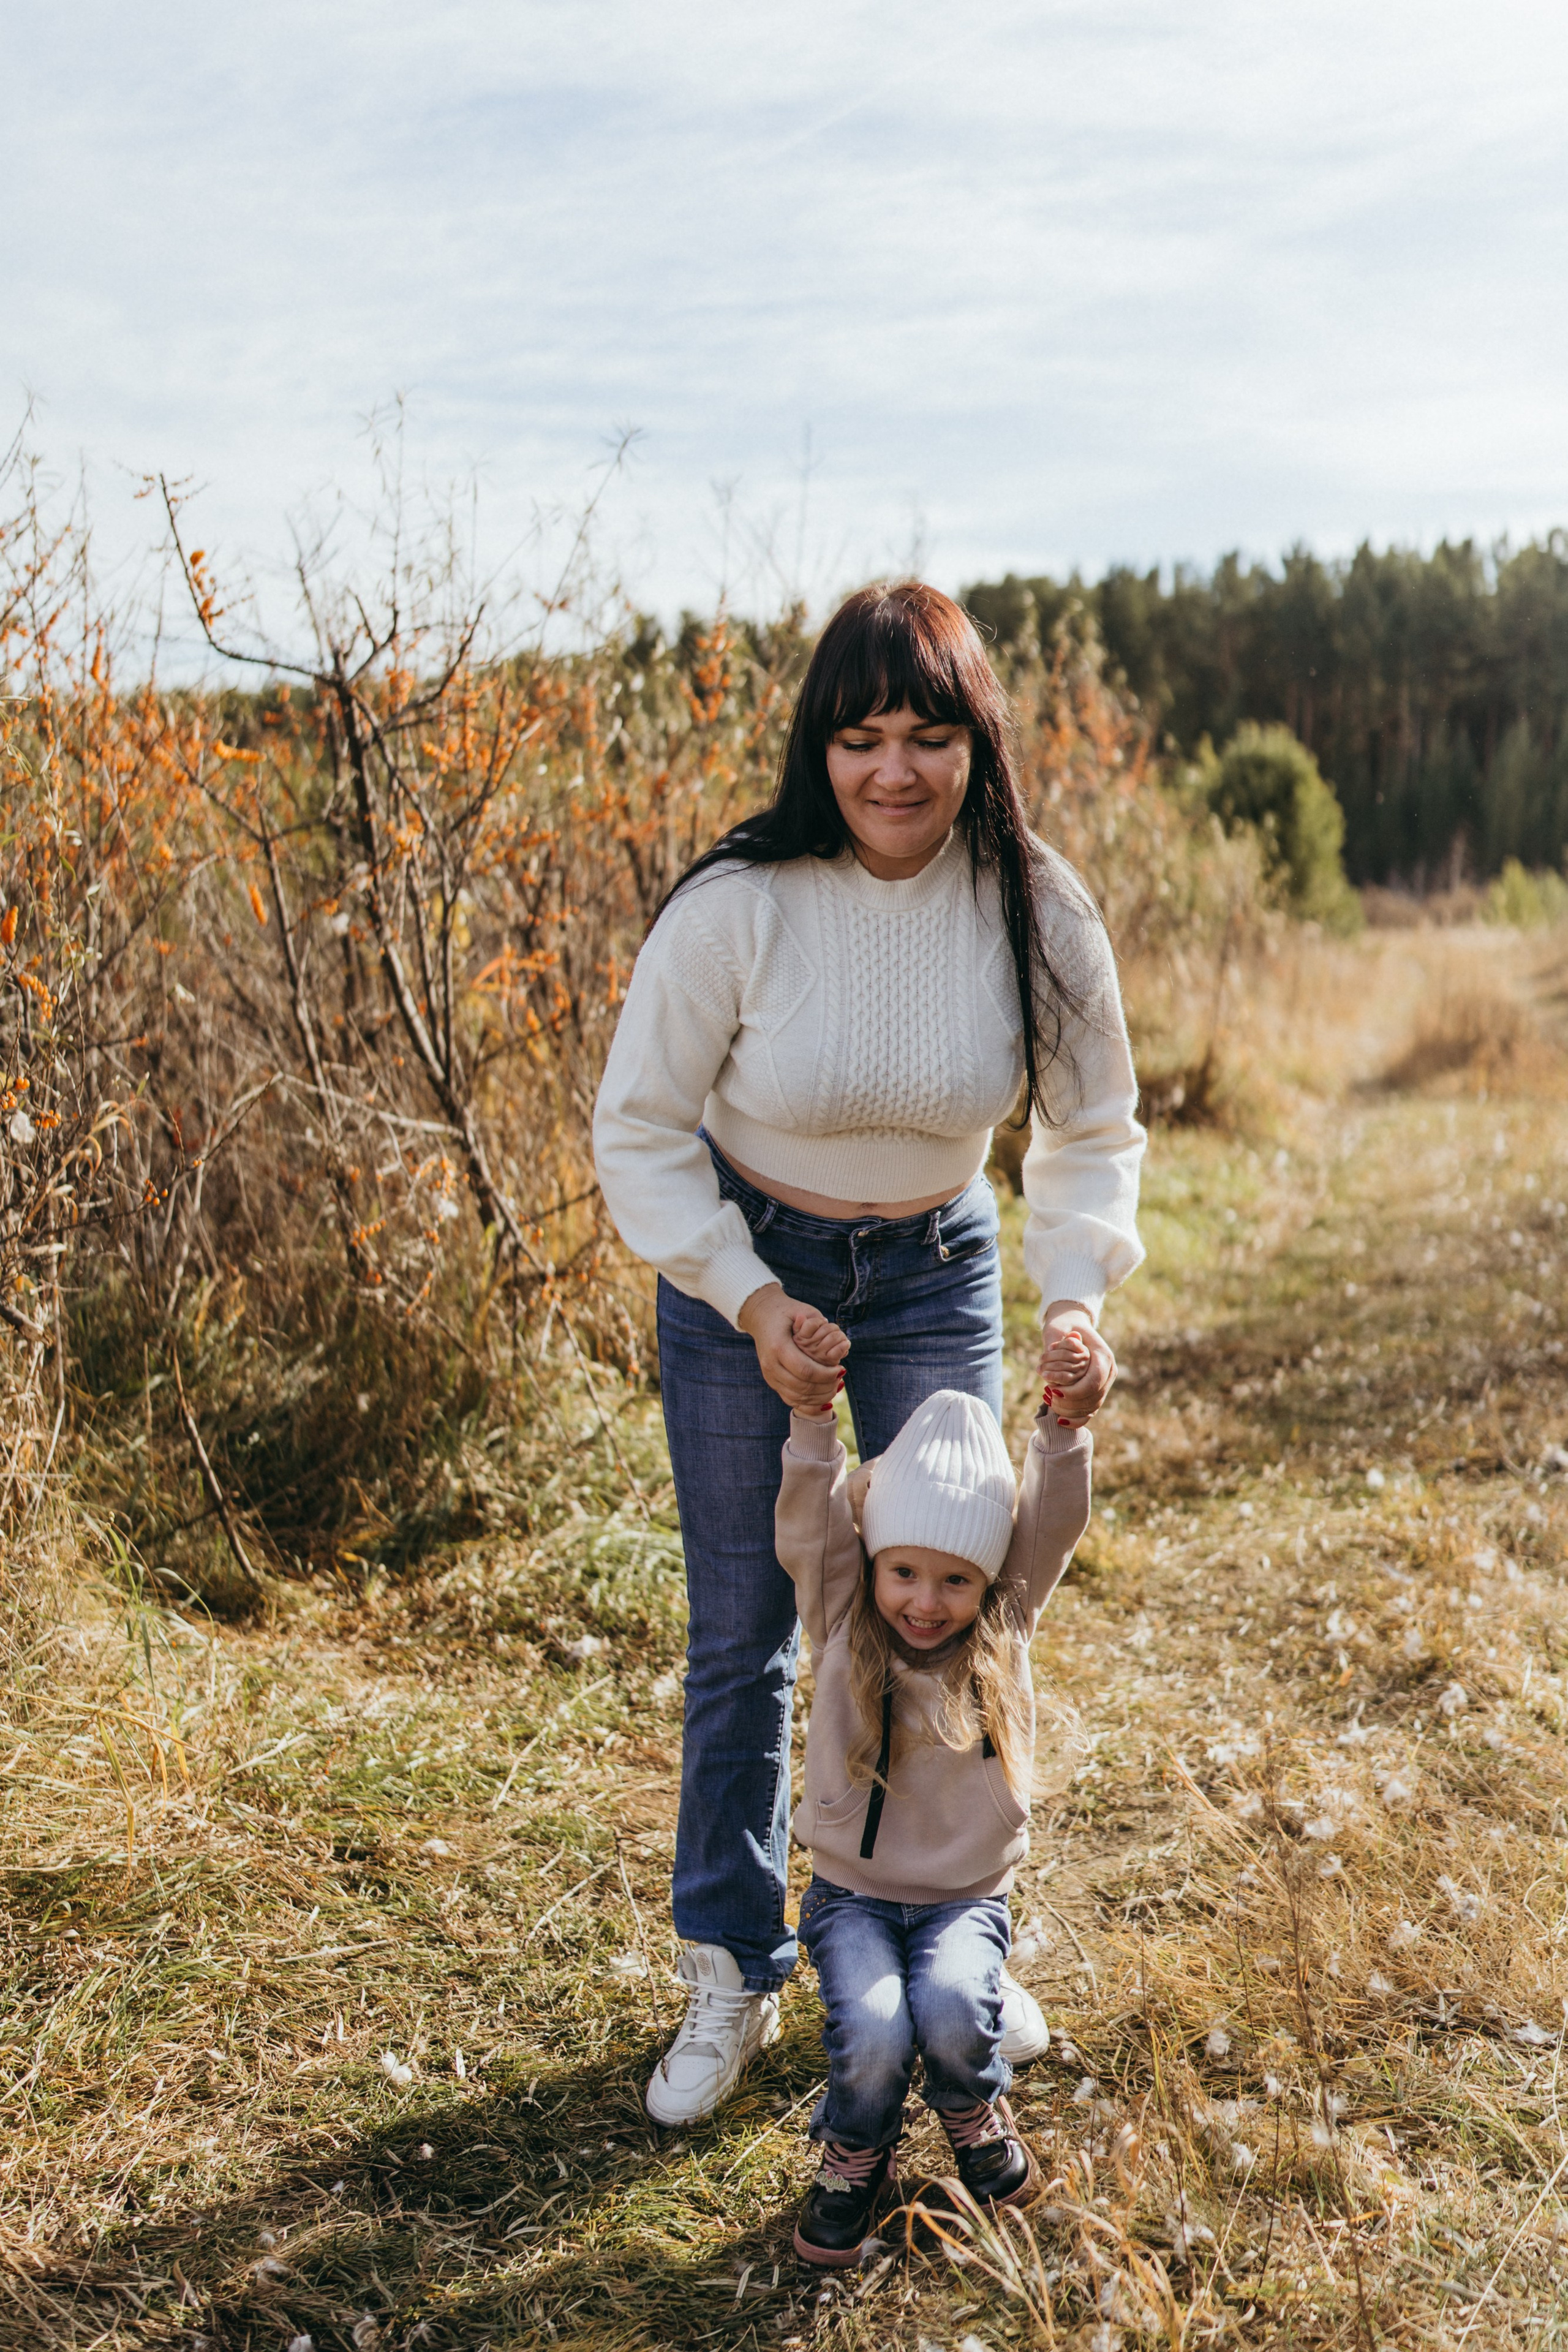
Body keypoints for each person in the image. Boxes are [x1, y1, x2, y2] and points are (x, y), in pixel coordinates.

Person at [592, 579, 1144, 2127]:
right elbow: (636, 1127)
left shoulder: (1036, 911)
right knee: (749, 1622)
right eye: (859, 739)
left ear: (977, 743)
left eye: (926, 736)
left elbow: (1091, 1129)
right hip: (747, 1276)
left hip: (935, 1263)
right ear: (815, 750)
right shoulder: (738, 906)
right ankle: (728, 1958)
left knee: (946, 1607)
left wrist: (1072, 1299)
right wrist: (745, 1298)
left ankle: (955, 1923)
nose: (893, 772)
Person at [773, 1372, 1091, 2265]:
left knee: (954, 2011)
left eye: (955, 1578)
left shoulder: (1005, 1623)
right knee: (874, 2033)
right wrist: (811, 1421)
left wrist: (1064, 1427)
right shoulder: (842, 1615)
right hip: (854, 1898)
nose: (925, 1600)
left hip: (963, 1899)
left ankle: (972, 2114)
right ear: (873, 1559)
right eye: (904, 1570)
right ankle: (856, 2154)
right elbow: (810, 1524)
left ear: (987, 1580)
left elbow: (1052, 1522)